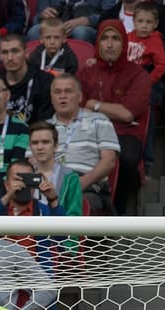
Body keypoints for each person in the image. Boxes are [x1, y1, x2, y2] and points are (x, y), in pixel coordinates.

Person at [76, 20, 151, 215]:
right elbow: (77, 104)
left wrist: (95, 105)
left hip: (123, 133)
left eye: (115, 39)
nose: (109, 44)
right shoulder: (86, 72)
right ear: (98, 43)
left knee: (126, 158)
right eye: (105, 39)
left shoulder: (138, 75)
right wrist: (110, 109)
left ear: (124, 43)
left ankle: (117, 213)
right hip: (88, 131)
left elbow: (127, 114)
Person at [49, 73, 119, 216]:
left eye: (68, 91)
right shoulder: (44, 127)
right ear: (52, 98)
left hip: (87, 185)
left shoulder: (99, 120)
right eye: (57, 92)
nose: (62, 96)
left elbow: (109, 161)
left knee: (78, 203)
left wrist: (81, 182)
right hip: (51, 184)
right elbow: (32, 162)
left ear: (80, 97)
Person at [1, 33, 54, 124]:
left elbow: (44, 122)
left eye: (15, 51)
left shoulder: (44, 81)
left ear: (26, 53)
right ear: (0, 56)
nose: (10, 58)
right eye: (5, 52)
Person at [28, 0, 100, 43]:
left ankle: (80, 67)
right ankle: (40, 66)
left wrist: (87, 20)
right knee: (35, 31)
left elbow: (109, 15)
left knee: (80, 32)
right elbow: (35, 20)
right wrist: (42, 16)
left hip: (87, 26)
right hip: (54, 26)